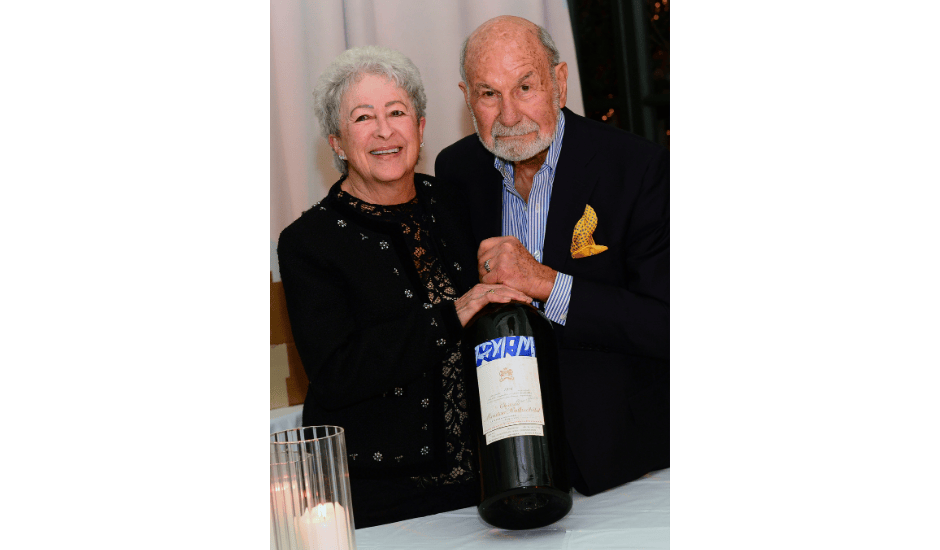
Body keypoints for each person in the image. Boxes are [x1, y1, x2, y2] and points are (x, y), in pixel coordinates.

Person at [277, 45, 531, 528]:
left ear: (419, 127)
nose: (384, 130)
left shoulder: (455, 202)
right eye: (362, 118)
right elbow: (337, 372)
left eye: (397, 112)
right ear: (336, 141)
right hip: (383, 500)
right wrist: (450, 315)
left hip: (492, 479)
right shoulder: (308, 243)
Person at [435, 16, 670, 496]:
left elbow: (666, 323)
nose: (509, 114)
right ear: (466, 98)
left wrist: (546, 283)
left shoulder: (637, 167)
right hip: (504, 460)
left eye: (525, 86)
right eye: (488, 94)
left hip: (623, 462)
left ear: (559, 83)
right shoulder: (457, 170)